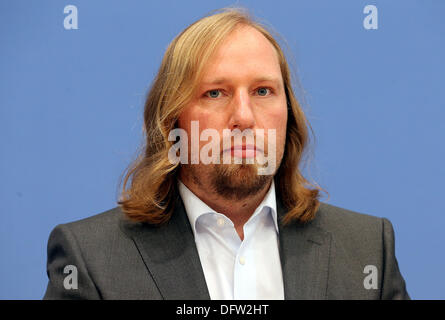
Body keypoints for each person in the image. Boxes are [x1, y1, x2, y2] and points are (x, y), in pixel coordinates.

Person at [43, 7, 409, 300]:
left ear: (289, 114)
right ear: (172, 122)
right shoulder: (91, 259)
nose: (245, 117)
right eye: (215, 93)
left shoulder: (366, 250)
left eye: (263, 91)